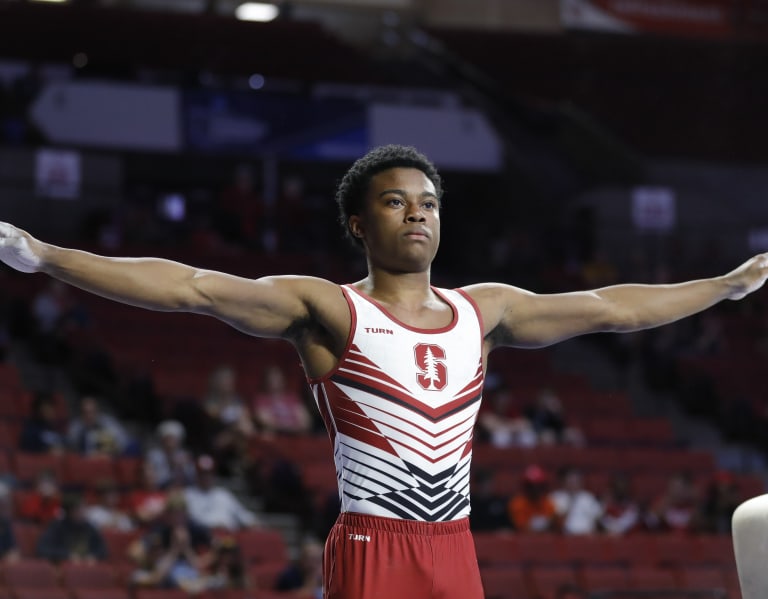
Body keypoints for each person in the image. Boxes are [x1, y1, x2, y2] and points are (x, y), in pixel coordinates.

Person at [0, 144, 767, 599]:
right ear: (359, 223)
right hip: (375, 542)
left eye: (429, 202)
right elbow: (188, 287)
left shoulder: (485, 310)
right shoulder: (328, 310)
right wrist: (41, 253)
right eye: (395, 203)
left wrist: (727, 284)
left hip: (455, 544)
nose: (417, 214)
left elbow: (613, 308)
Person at [183, 454, 261, 532]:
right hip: (204, 536)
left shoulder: (223, 495)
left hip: (228, 536)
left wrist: (252, 522)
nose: (206, 477)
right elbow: (191, 520)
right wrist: (215, 525)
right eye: (202, 473)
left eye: (209, 473)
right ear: (196, 474)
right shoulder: (188, 495)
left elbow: (243, 515)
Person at [36, 492, 108, 563]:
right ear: (69, 511)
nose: (83, 512)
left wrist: (92, 556)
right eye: (79, 509)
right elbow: (43, 549)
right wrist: (67, 556)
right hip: (64, 567)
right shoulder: (57, 527)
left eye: (84, 508)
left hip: (86, 567)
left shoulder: (89, 527)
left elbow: (103, 550)